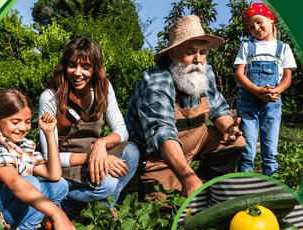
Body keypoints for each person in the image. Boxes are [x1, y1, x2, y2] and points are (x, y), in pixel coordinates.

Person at [125, 15, 246, 201]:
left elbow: (219, 109)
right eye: (190, 53)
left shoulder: (206, 73)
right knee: (168, 209)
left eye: (202, 52)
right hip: (159, 160)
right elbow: (162, 132)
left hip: (193, 147)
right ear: (173, 54)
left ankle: (206, 185)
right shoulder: (157, 80)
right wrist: (188, 177)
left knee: (235, 142)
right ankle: (187, 180)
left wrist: (228, 128)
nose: (198, 60)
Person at [0, 88, 86, 230]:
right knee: (30, 182)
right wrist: (58, 214)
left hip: (8, 212)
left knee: (60, 186)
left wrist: (49, 133)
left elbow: (54, 175)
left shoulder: (25, 146)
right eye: (15, 122)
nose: (23, 128)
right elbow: (15, 183)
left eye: (27, 121)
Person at [38, 35, 139, 211]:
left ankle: (104, 209)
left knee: (131, 153)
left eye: (85, 67)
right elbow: (48, 156)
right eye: (72, 65)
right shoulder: (50, 96)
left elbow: (122, 130)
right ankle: (63, 203)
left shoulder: (103, 87)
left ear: (95, 68)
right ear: (65, 65)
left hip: (94, 151)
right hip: (65, 160)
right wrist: (95, 158)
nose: (78, 73)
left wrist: (102, 143)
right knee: (106, 184)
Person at [234, 3, 297, 176]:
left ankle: (271, 186)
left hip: (272, 102)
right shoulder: (246, 47)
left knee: (270, 150)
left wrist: (276, 91)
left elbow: (287, 78)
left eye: (259, 22)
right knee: (247, 149)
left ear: (271, 21)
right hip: (248, 101)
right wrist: (256, 90)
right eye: (251, 26)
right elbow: (239, 75)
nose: (255, 27)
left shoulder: (283, 48)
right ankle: (245, 185)